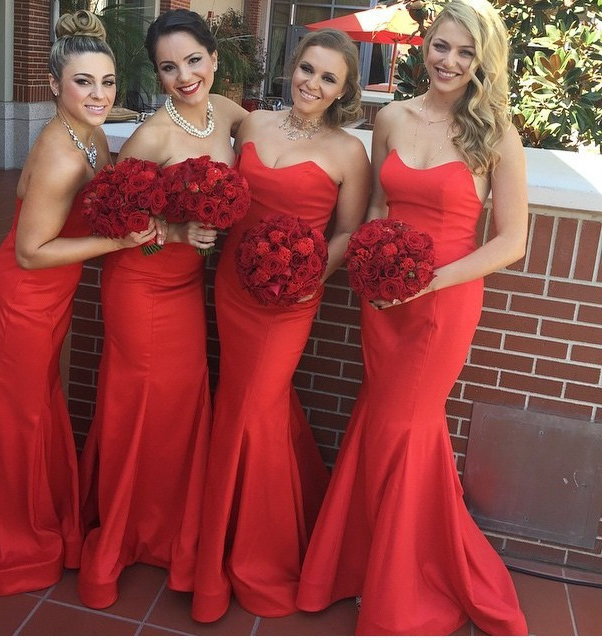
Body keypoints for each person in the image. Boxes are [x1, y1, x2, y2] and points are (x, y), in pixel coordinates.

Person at [296, 0, 529, 635]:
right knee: (377, 421)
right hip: (385, 301)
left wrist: (430, 282)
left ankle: (403, 581)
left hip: (443, 303)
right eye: (441, 47)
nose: (449, 62)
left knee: (405, 427)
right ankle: (365, 563)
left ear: (483, 60)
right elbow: (374, 208)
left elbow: (512, 242)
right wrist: (370, 268)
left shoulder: (497, 132)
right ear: (424, 48)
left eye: (465, 51)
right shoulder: (391, 117)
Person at [0, 10, 157, 596]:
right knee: (10, 417)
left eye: (107, 82)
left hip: (46, 302)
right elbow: (30, 253)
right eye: (83, 82)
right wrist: (120, 241)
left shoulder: (90, 131)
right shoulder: (60, 151)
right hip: (20, 299)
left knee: (29, 410)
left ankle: (23, 513)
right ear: (53, 84)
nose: (99, 95)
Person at [190, 28, 371, 622]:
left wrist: (311, 272)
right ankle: (231, 535)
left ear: (343, 92)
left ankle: (250, 556)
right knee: (250, 405)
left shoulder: (348, 152)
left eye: (328, 79)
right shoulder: (251, 123)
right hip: (232, 286)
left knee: (251, 405)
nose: (311, 85)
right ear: (292, 67)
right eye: (307, 69)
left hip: (291, 299)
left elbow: (347, 232)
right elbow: (194, 109)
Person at [77, 9, 247, 610]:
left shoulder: (228, 114)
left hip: (185, 291)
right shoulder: (151, 134)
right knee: (142, 401)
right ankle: (122, 537)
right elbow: (113, 215)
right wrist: (174, 233)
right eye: (168, 67)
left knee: (178, 405)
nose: (184, 76)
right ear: (157, 73)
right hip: (141, 284)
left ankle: (169, 530)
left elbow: (281, 138)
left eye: (194, 61)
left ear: (214, 59)